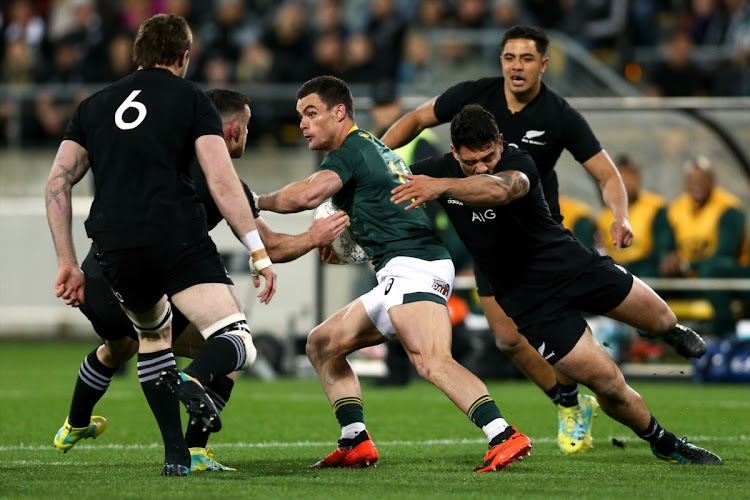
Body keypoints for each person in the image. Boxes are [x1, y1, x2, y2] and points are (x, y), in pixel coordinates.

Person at [391, 104, 722, 465]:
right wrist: (338, 215)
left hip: (571, 266)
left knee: (660, 319)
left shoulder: (519, 162)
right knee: (607, 382)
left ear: (500, 143)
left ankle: (670, 332)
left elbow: (499, 190)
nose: (483, 166)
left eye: (489, 156)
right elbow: (376, 182)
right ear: (454, 153)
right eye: (472, 162)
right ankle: (666, 442)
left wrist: (443, 186)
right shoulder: (433, 172)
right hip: (531, 303)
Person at [51, 88, 349, 471]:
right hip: (150, 275)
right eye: (245, 126)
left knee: (120, 348)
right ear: (229, 130)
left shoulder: (161, 160)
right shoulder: (221, 178)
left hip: (99, 279)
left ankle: (74, 424)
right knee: (224, 350)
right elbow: (271, 243)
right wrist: (315, 237)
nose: (247, 134)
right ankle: (192, 449)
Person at [256, 75, 532, 473]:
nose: (303, 123)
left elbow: (306, 196)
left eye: (311, 113)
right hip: (398, 268)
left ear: (339, 113)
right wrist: (352, 242)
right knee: (322, 344)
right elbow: (380, 210)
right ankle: (355, 440)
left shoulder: (350, 150)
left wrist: (254, 200)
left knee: (432, 361)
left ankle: (503, 434)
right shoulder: (368, 148)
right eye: (300, 115)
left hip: (415, 265)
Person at [381, 24, 632, 453]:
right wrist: (376, 159)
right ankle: (568, 402)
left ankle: (620, 362)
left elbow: (606, 173)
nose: (517, 66)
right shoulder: (473, 96)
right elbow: (416, 118)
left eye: (527, 58)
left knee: (562, 325)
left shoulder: (559, 115)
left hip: (542, 237)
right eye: (510, 57)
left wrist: (619, 214)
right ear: (501, 61)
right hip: (489, 238)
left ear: (543, 65)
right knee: (508, 340)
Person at [45, 14, 276, 477]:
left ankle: (176, 456)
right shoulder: (192, 99)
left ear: (137, 53)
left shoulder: (92, 105)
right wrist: (258, 250)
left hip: (113, 245)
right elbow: (221, 179)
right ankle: (191, 378)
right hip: (175, 236)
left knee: (153, 337)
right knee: (237, 340)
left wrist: (68, 262)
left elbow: (57, 183)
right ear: (185, 56)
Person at [659, 156, 750, 335]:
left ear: (712, 181)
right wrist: (669, 261)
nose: (696, 185)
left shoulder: (728, 208)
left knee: (712, 270)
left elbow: (726, 254)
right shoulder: (677, 208)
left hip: (730, 276)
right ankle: (653, 340)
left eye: (702, 180)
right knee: (649, 275)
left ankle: (726, 336)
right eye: (691, 180)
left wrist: (686, 265)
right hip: (691, 279)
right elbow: (668, 247)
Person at [597, 155, 669, 277]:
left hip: (646, 270)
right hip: (616, 271)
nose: (627, 181)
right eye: (622, 176)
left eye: (631, 175)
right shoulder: (605, 214)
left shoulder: (656, 207)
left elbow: (662, 249)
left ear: (639, 177)